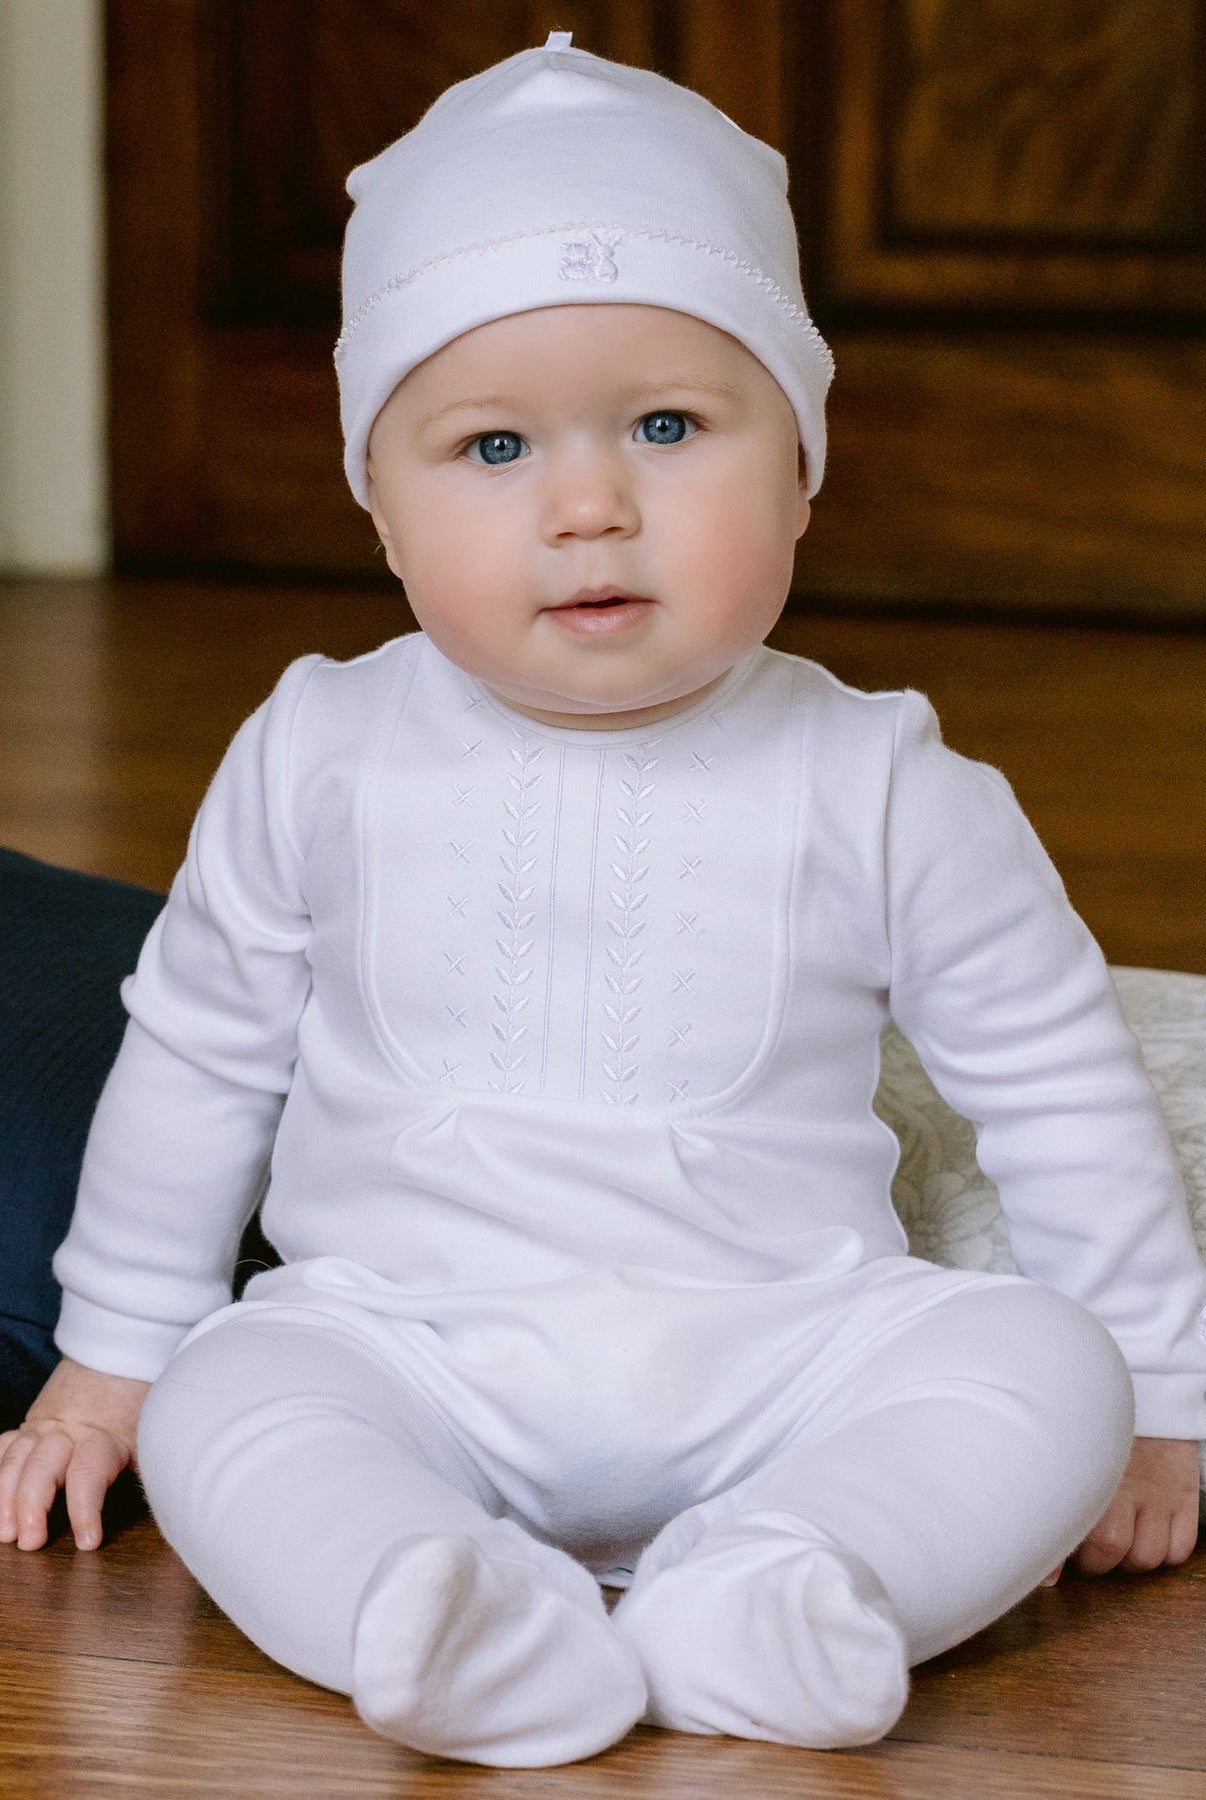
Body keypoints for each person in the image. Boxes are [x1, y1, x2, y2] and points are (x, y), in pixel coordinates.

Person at [1, 33, 1203, 1769]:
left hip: (790, 1350)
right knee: (228, 1406)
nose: (587, 506)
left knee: (1046, 1371)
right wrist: (114, 1348)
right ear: (378, 508)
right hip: (408, 1342)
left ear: (799, 463)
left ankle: (796, 1578)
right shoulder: (317, 750)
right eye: (490, 448)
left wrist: (1157, 1401)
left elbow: (1055, 1081)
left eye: (667, 425)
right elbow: (196, 1054)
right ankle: (429, 1598)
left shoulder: (889, 785)